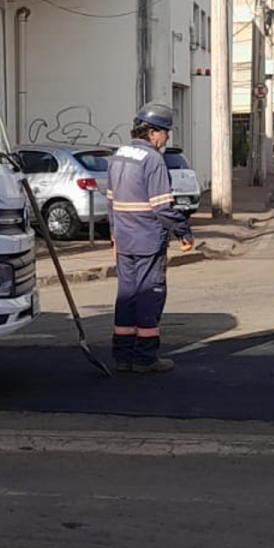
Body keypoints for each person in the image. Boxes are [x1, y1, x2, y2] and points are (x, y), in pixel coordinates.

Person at [108, 102, 195, 374]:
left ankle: (123, 357)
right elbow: (162, 208)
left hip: (124, 239)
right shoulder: (153, 160)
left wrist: (113, 237)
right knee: (149, 296)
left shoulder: (118, 155)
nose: (167, 138)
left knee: (126, 296)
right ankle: (146, 358)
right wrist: (183, 231)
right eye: (165, 132)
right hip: (147, 239)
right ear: (153, 132)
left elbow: (111, 202)